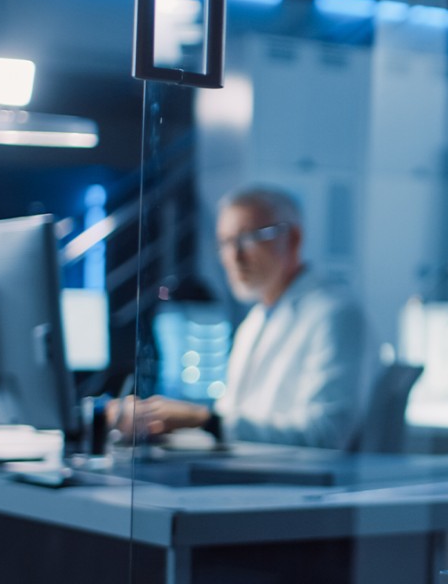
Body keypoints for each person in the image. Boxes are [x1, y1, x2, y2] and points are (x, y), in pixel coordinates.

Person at [112, 186, 373, 449]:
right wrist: (158, 424)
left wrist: (202, 419)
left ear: (293, 239)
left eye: (248, 238)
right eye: (225, 242)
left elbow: (325, 435)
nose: (234, 257)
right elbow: (231, 425)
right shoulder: (257, 319)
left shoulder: (335, 315)